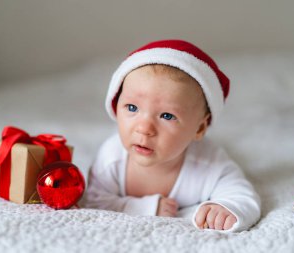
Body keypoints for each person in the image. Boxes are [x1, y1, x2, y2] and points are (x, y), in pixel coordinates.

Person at [83, 40, 261, 232]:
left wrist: (227, 209)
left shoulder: (209, 163)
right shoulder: (112, 157)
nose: (144, 128)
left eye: (167, 116)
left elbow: (242, 195)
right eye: (132, 107)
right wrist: (142, 207)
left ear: (199, 128)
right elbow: (93, 200)